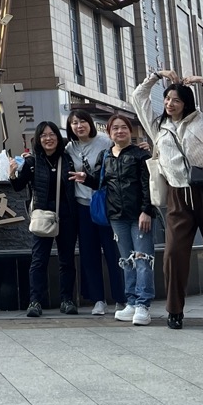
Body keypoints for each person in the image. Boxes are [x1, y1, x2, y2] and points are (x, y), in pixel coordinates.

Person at [131, 69, 203, 329]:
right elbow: (138, 97)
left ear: (186, 103)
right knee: (173, 254)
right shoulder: (157, 127)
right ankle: (175, 310)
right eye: (167, 99)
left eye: (176, 100)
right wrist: (155, 75)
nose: (169, 104)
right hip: (177, 195)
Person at [77, 113, 155, 325]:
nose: (119, 131)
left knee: (143, 259)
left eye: (123, 127)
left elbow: (148, 185)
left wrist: (146, 210)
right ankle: (131, 302)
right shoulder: (105, 156)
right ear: (109, 133)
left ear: (130, 131)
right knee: (127, 261)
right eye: (115, 128)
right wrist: (86, 179)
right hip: (116, 217)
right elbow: (100, 182)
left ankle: (143, 305)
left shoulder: (140, 155)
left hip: (139, 215)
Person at [9, 120, 79, 317]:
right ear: (38, 139)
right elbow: (18, 186)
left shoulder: (67, 159)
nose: (48, 138)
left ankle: (67, 300)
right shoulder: (32, 162)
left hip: (67, 215)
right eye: (44, 135)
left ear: (58, 137)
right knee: (39, 260)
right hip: (42, 215)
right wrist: (12, 174)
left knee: (67, 260)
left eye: (52, 134)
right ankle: (35, 302)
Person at [64, 111, 125, 315]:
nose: (79, 125)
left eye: (82, 121)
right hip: (83, 206)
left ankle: (121, 298)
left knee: (113, 252)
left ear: (90, 123)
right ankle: (98, 299)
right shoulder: (70, 148)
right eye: (74, 123)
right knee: (89, 254)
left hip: (106, 205)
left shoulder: (105, 141)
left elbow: (122, 151)